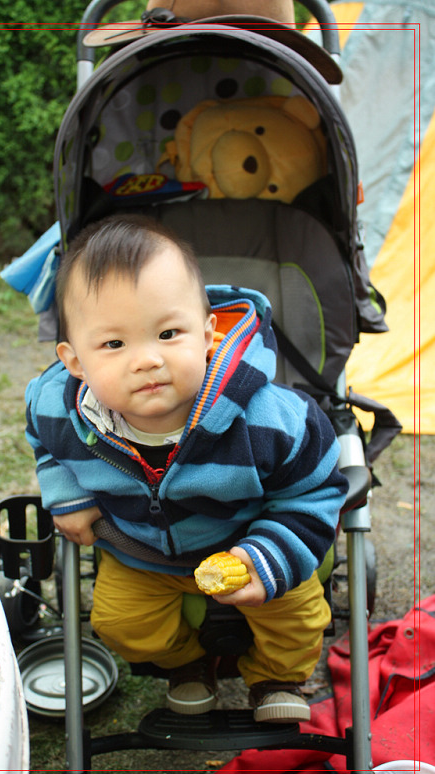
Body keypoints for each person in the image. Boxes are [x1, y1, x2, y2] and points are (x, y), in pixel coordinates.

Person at [25, 214, 348, 722]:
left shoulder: (270, 419)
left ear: (208, 333)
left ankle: (275, 678)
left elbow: (314, 489)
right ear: (75, 361)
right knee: (119, 623)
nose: (147, 360)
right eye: (114, 344)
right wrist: (67, 491)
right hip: (140, 554)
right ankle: (189, 664)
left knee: (296, 616)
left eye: (168, 333)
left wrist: (268, 555)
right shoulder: (57, 408)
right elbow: (43, 440)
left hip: (247, 539)